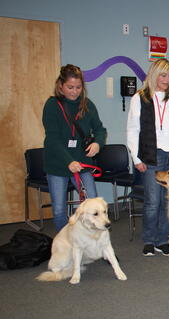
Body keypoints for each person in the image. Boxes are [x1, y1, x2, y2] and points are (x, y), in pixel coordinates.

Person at [127, 59, 169, 256]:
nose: (166, 80)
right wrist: (136, 158)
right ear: (154, 75)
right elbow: (132, 129)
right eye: (163, 75)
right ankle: (149, 239)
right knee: (152, 200)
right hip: (151, 154)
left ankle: (162, 240)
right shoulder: (140, 98)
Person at [43, 64, 106, 232]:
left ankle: (96, 244)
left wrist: (98, 143)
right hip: (58, 164)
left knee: (94, 206)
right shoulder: (52, 105)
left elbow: (100, 129)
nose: (74, 91)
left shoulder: (87, 105)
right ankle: (66, 247)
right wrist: (68, 161)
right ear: (60, 85)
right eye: (70, 87)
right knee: (58, 210)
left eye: (78, 87)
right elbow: (52, 139)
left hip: (82, 163)